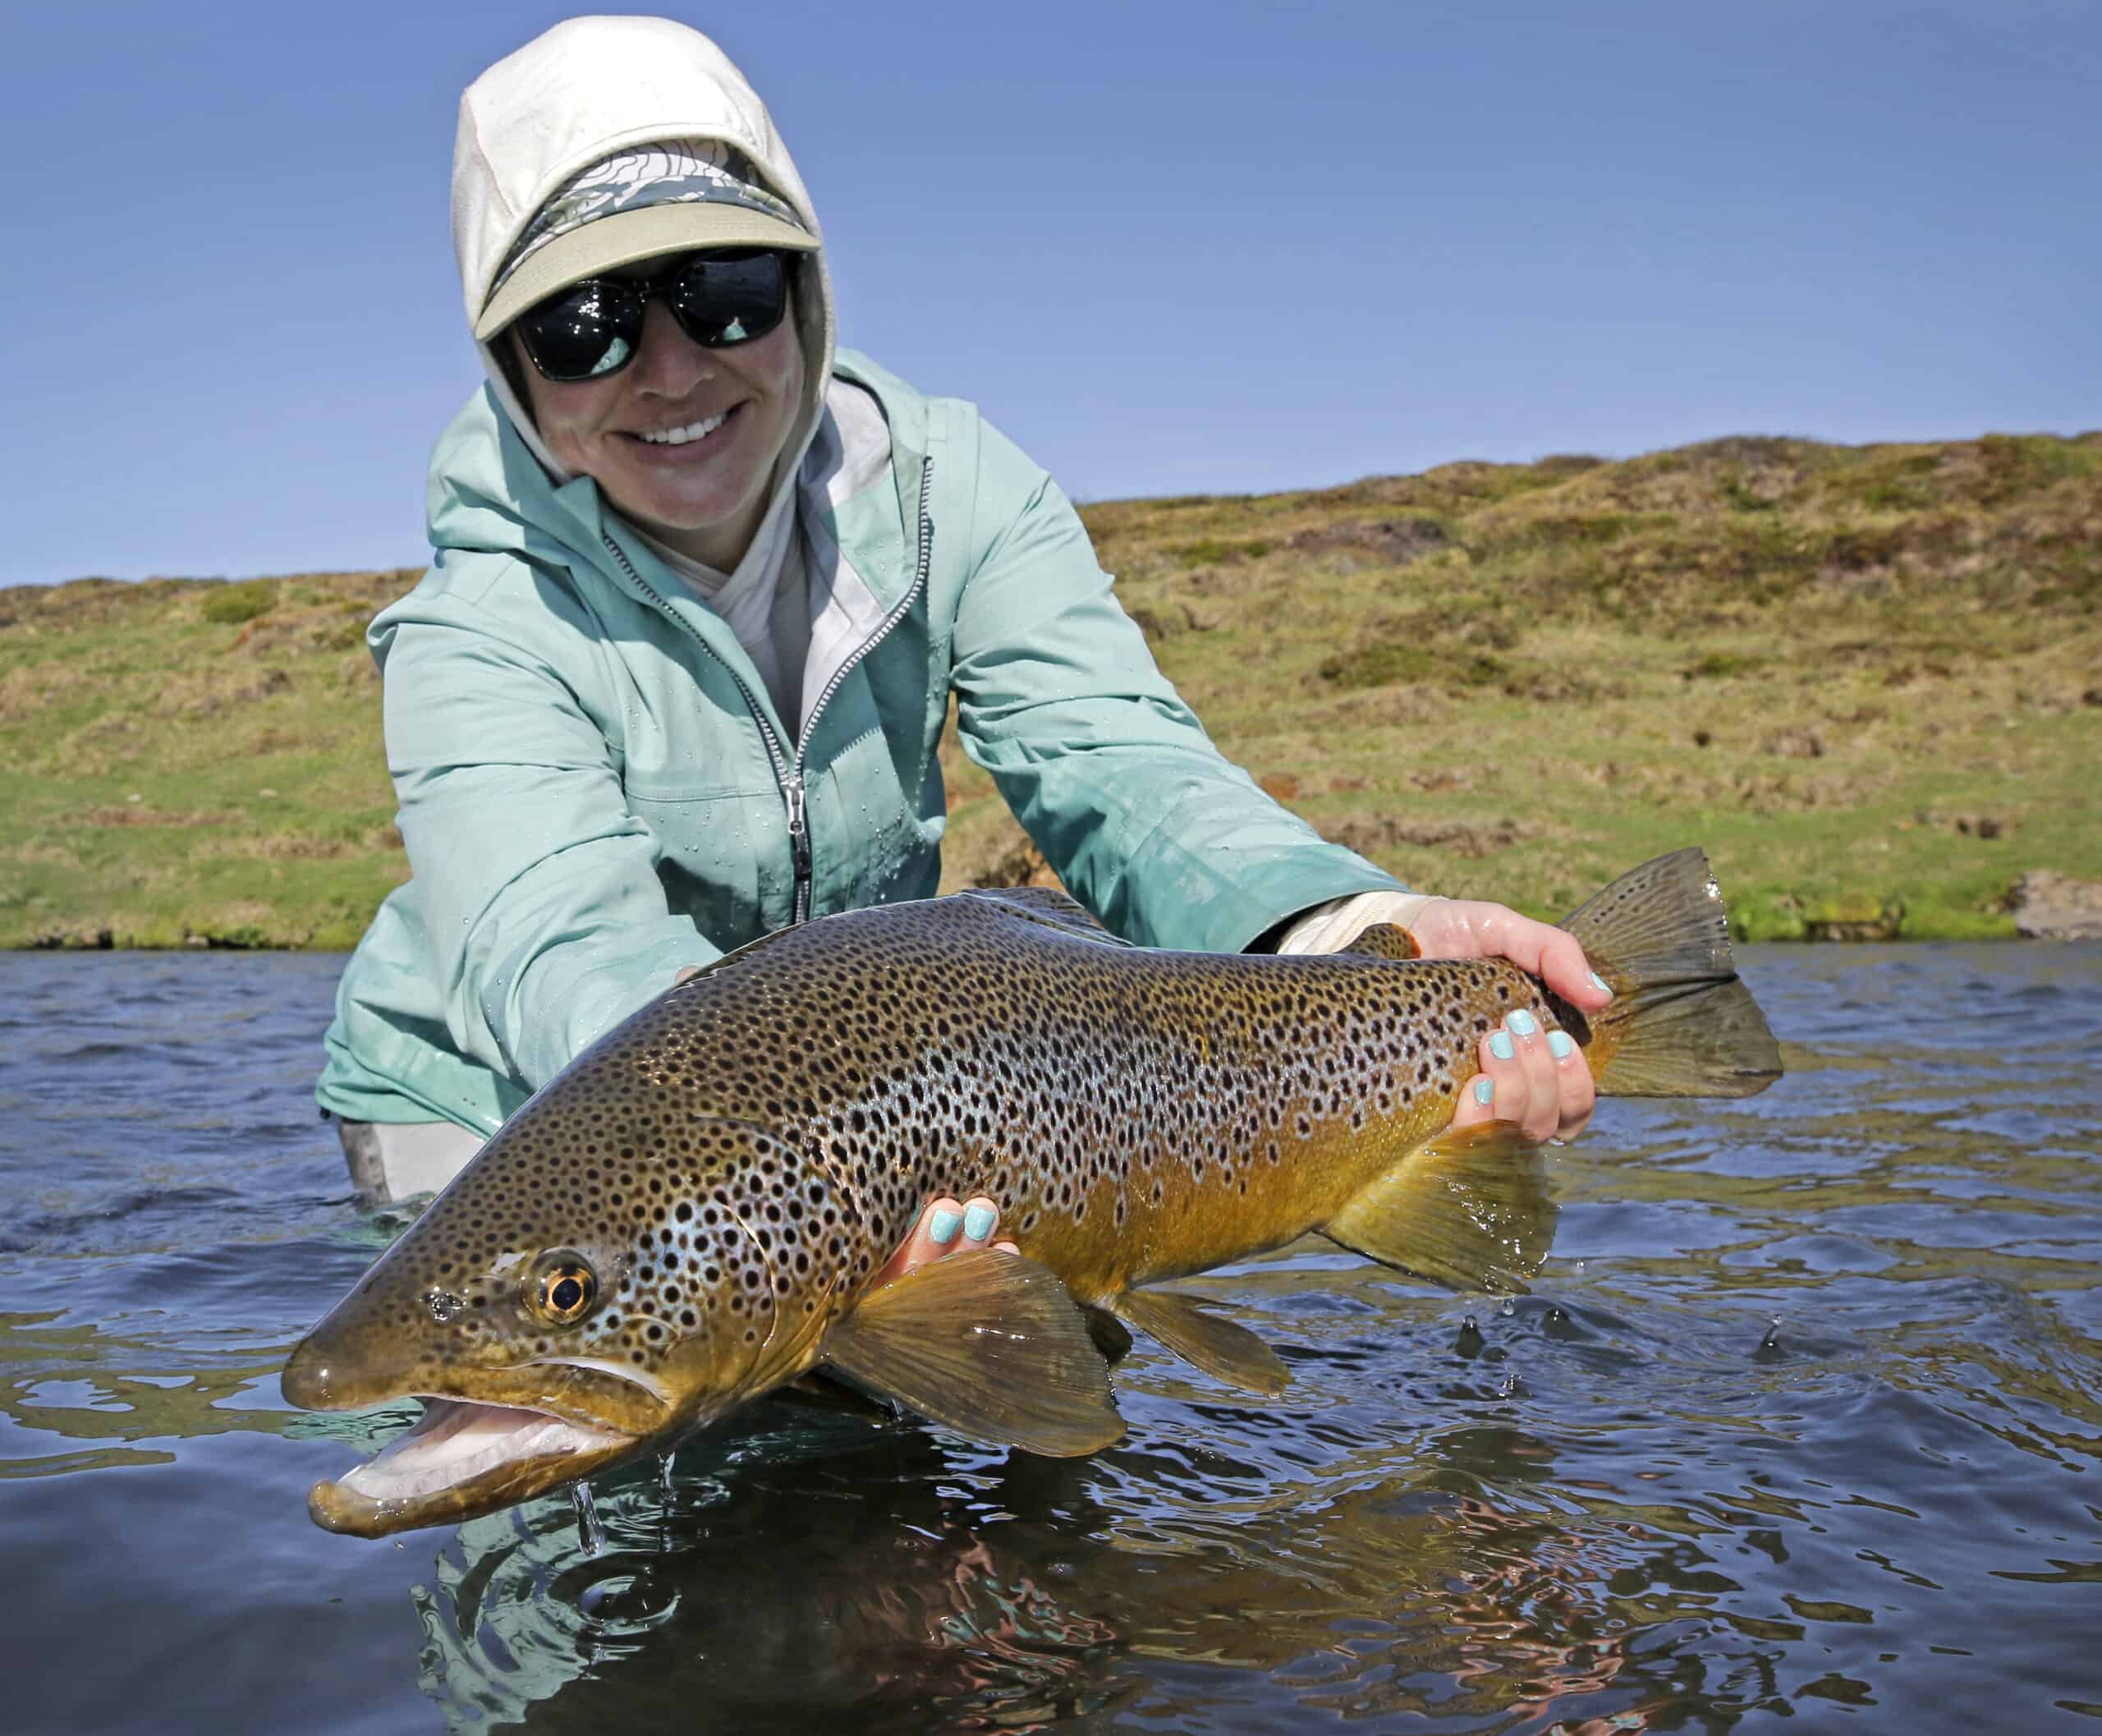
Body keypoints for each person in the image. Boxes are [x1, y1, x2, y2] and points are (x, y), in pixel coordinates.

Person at [316, 16, 1607, 1283]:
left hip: (866, 1113)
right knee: (536, 1396)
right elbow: (558, 953)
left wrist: (1357, 927)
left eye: (723, 291)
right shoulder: (474, 632)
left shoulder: (954, 493)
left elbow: (1123, 769)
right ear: (511, 369)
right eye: (582, 324)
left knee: (946, 1376)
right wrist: (804, 1173)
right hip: (498, 1125)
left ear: (804, 293)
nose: (668, 370)